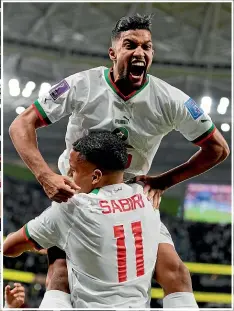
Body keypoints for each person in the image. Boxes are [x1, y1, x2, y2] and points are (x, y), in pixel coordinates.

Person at [9, 13, 229, 308]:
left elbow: (218, 148)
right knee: (60, 271)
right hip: (80, 193)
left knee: (175, 272)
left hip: (131, 196)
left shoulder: (170, 100)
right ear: (113, 53)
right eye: (130, 45)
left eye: (147, 47)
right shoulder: (82, 85)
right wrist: (45, 176)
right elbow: (21, 124)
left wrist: (164, 181)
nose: (140, 52)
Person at [4, 131, 161, 308]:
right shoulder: (147, 195)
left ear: (96, 176)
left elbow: (10, 247)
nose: (68, 176)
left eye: (73, 171)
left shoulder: (74, 208)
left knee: (58, 258)